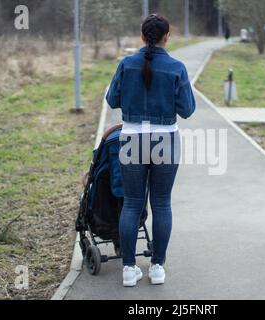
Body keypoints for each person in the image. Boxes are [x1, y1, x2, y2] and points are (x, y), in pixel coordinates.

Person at [105, 14, 196, 287]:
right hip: (165, 140)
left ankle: (129, 270)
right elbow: (188, 110)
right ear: (167, 37)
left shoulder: (126, 64)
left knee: (132, 204)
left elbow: (112, 100)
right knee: (161, 204)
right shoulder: (176, 67)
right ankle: (157, 267)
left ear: (143, 36)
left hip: (132, 138)